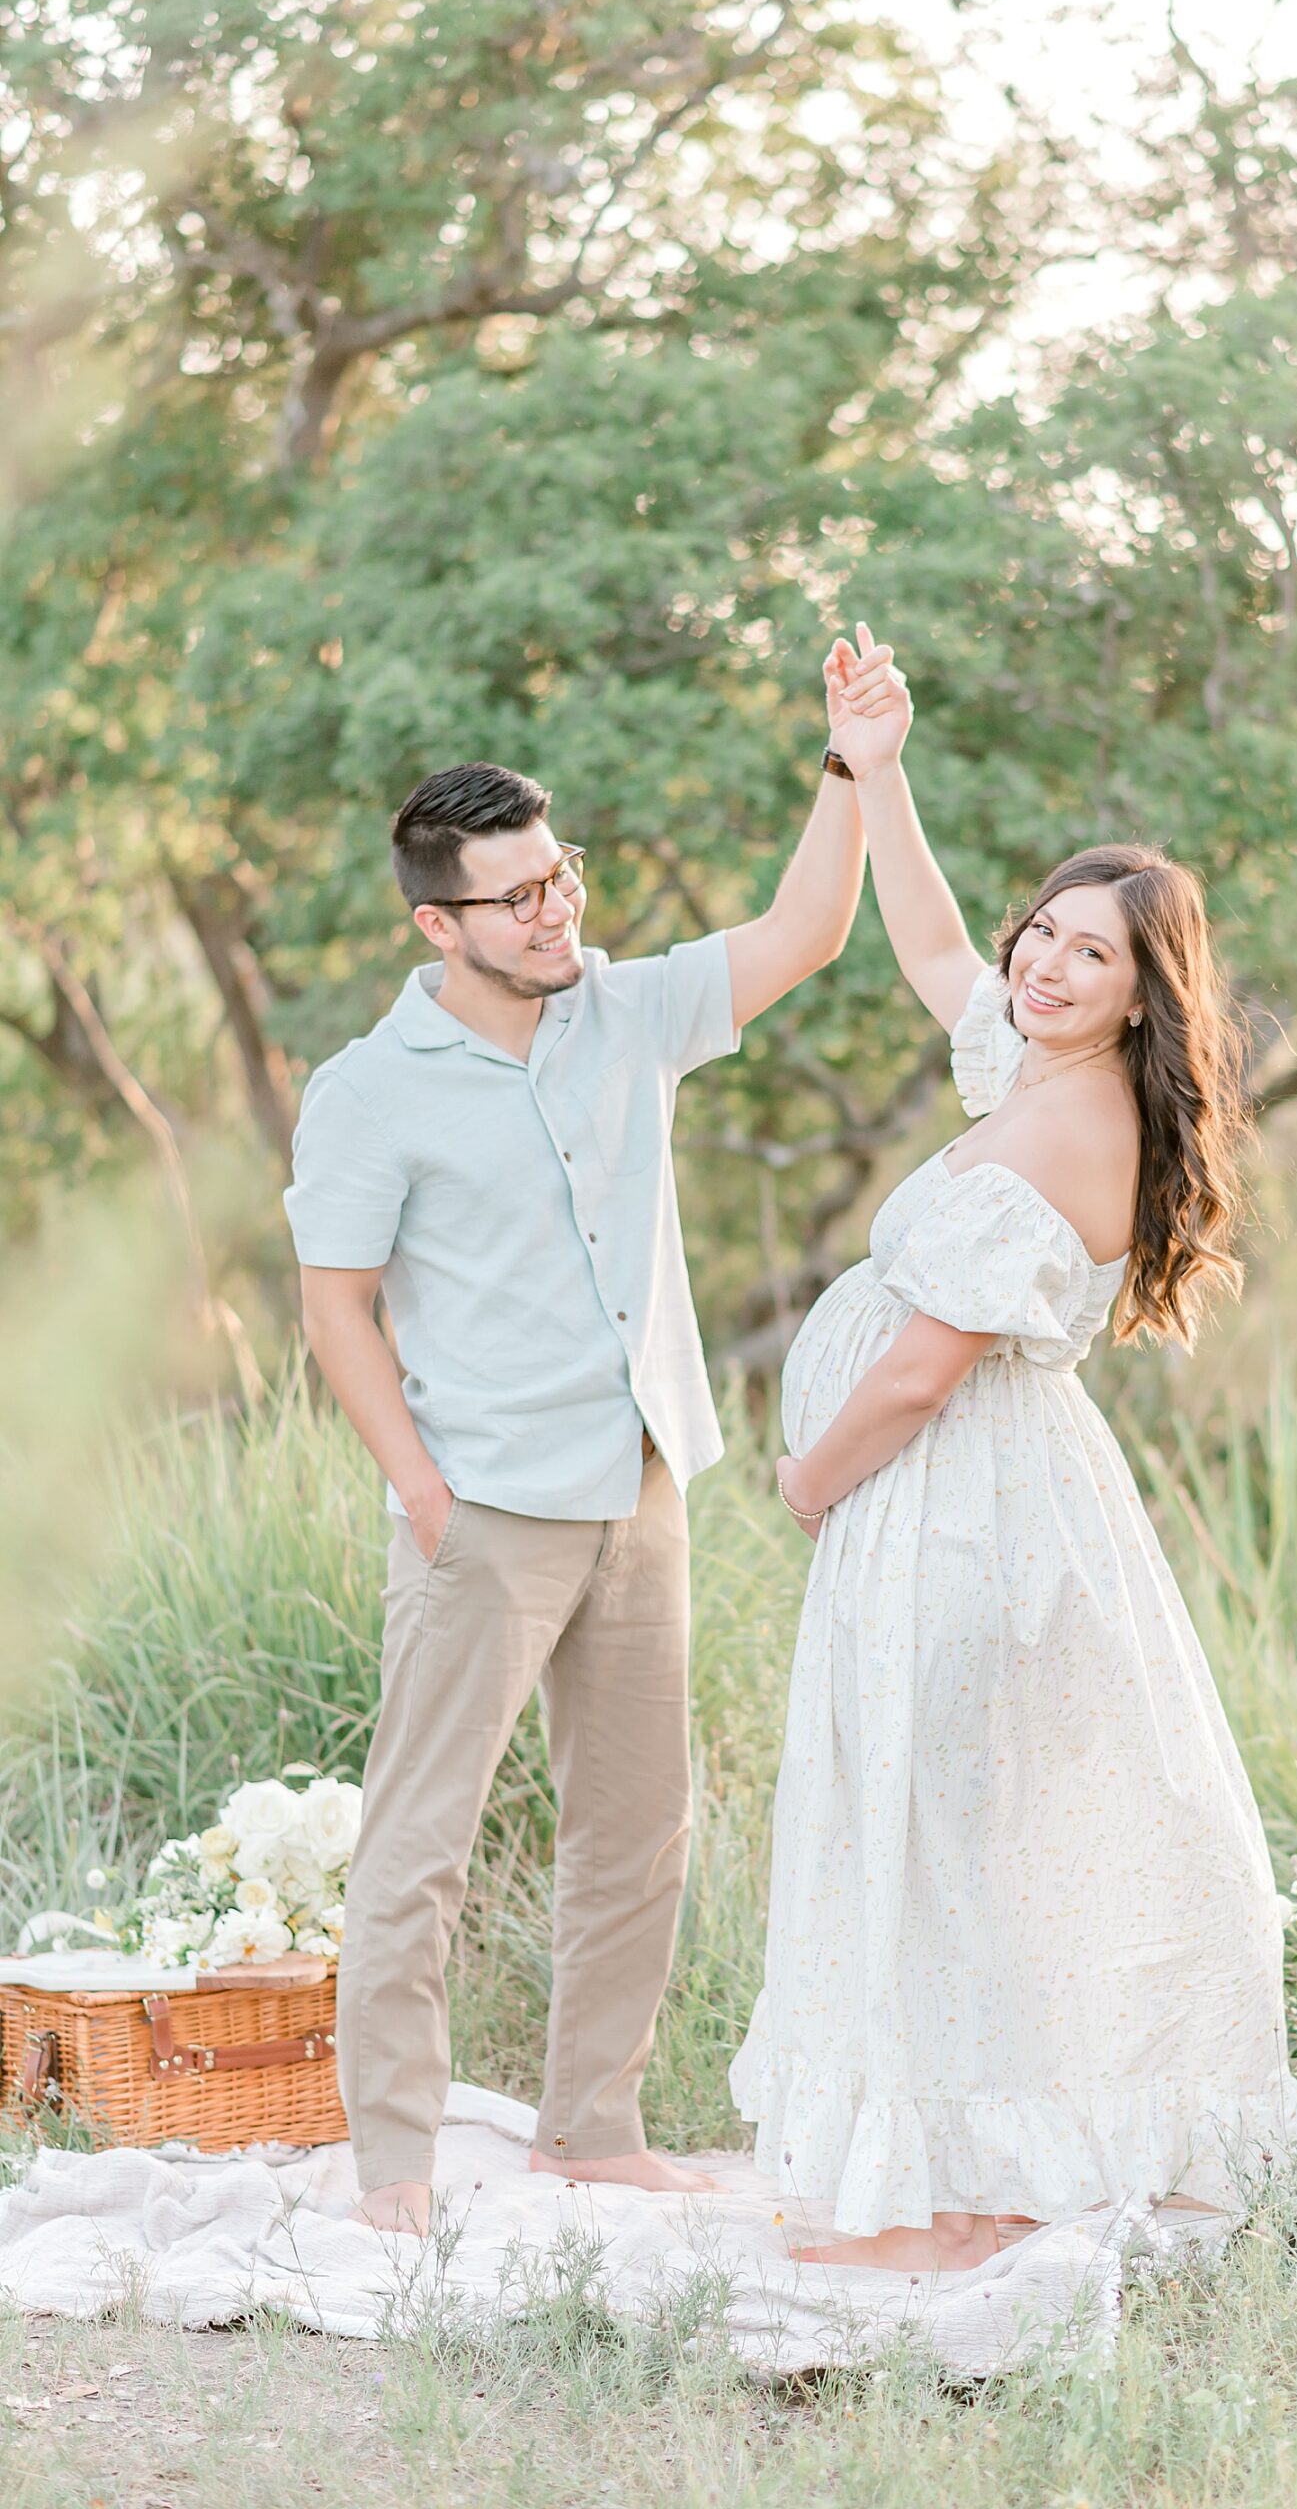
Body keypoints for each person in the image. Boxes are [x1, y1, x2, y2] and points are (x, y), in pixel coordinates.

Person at [730, 628, 1297, 2272]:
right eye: (1041, 937)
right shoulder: (1037, 1065)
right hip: (976, 1501)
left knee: (941, 1833)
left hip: (955, 1504)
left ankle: (959, 2199)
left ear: (1143, 994)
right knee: (960, 1834)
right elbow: (923, 943)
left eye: (1089, 957)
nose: (1044, 968)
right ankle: (964, 2173)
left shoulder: (1066, 1118)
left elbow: (921, 1372)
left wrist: (805, 1477)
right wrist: (877, 764)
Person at [286, 742, 866, 2235]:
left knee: (636, 1824)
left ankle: (590, 2125)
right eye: (518, 896)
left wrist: (851, 766)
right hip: (480, 1506)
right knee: (423, 1839)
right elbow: (335, 1306)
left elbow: (805, 932)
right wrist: (419, 1491)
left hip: (640, 1483)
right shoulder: (369, 1092)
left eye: (560, 876)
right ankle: (393, 2164)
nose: (556, 911)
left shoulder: (626, 1011)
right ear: (438, 924)